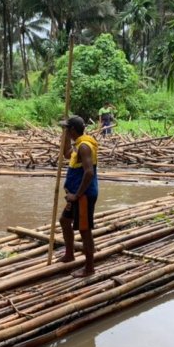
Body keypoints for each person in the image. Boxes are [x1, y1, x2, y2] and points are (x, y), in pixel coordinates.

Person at [56, 116, 99, 277]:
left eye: (67, 129)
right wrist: (65, 137)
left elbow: (89, 172)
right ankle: (69, 254)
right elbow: (67, 154)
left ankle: (89, 268)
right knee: (65, 221)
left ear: (73, 130)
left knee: (84, 230)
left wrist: (77, 195)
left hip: (84, 195)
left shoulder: (85, 146)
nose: (66, 131)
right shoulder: (79, 144)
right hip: (75, 195)